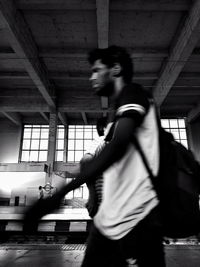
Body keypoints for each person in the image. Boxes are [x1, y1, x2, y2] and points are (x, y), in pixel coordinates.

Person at [23, 46, 165, 266]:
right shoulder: (115, 115)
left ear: (115, 69)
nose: (92, 77)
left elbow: (118, 146)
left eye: (97, 70)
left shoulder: (133, 93)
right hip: (111, 221)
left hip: (138, 220)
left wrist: (61, 193)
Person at [82, 117, 107, 218]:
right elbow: (85, 161)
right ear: (103, 128)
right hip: (106, 204)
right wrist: (92, 195)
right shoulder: (102, 140)